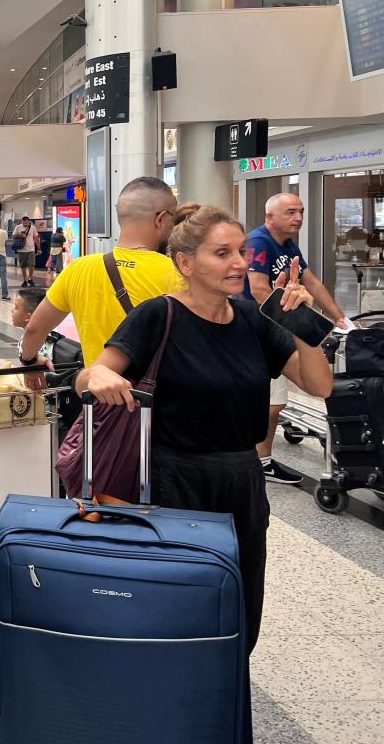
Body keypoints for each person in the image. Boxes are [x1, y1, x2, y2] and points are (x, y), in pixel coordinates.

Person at [77, 204, 333, 653]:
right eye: (222, 253)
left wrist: (304, 326)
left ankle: (224, 688)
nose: (239, 263)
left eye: (241, 252)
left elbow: (318, 383)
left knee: (241, 598)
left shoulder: (251, 319)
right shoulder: (158, 315)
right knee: (179, 602)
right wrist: (98, 376)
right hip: (174, 478)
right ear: (186, 263)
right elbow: (92, 375)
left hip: (242, 477)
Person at [19, 177, 180, 390]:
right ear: (160, 219)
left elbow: (34, 329)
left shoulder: (79, 269)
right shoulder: (177, 273)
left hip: (100, 402)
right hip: (159, 403)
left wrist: (30, 361)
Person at [243, 193, 352, 485]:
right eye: (291, 212)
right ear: (270, 217)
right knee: (273, 402)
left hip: (272, 331)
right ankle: (259, 460)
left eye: (301, 211)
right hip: (259, 331)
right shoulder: (259, 242)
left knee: (277, 401)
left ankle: (260, 458)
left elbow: (311, 281)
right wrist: (296, 324)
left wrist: (340, 318)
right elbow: (258, 290)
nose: (299, 218)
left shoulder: (288, 245)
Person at [11, 287, 54, 362]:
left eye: (16, 307)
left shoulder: (31, 343)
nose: (12, 310)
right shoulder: (45, 333)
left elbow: (33, 372)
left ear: (27, 317)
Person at [12, 216, 40, 288]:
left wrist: (39, 248)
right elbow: (14, 236)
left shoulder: (33, 227)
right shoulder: (18, 227)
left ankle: (30, 278)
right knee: (23, 265)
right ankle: (25, 280)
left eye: (26, 223)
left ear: (29, 221)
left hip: (31, 249)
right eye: (24, 223)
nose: (25, 224)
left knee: (32, 265)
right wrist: (20, 234)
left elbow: (36, 238)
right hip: (21, 249)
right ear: (22, 222)